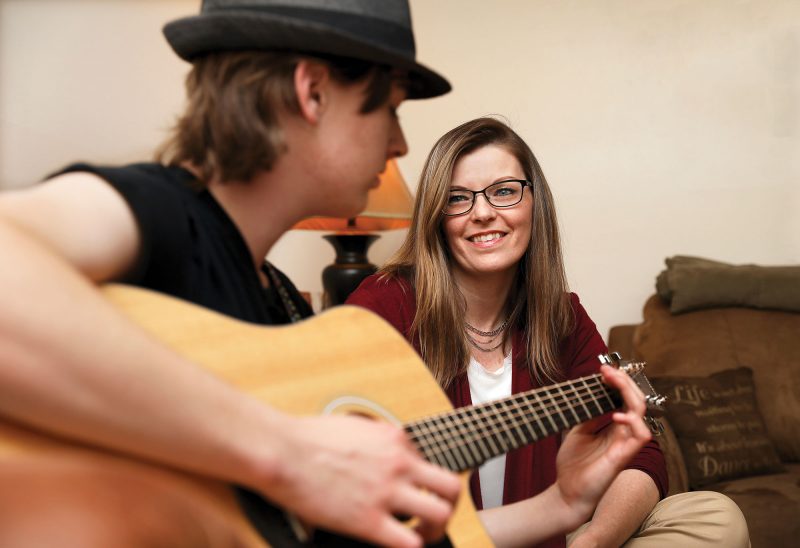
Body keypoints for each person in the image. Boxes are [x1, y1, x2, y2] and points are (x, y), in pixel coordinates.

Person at [0, 2, 652, 546]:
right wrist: (286, 450)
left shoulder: (279, 307)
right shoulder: (166, 214)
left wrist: (565, 507)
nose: (400, 144)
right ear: (312, 93)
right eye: (389, 108)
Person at [347, 117, 751, 547]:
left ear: (533, 202)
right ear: (436, 217)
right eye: (457, 198)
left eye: (504, 191)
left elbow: (640, 451)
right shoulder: (382, 307)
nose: (483, 213)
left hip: (544, 540)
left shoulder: (560, 315)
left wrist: (594, 540)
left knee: (713, 517)